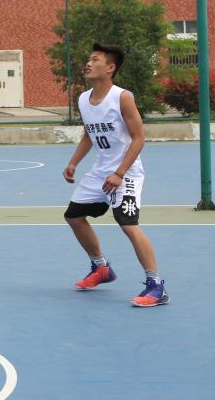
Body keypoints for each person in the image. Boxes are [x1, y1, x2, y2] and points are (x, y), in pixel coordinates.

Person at [62, 43, 168, 307]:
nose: (88, 63)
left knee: (128, 224)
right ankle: (101, 268)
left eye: (95, 59)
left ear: (110, 68)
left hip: (126, 172)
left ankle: (157, 286)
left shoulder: (122, 97)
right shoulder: (83, 99)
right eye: (88, 59)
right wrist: (73, 162)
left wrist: (119, 173)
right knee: (73, 216)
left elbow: (139, 138)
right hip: (100, 172)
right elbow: (89, 134)